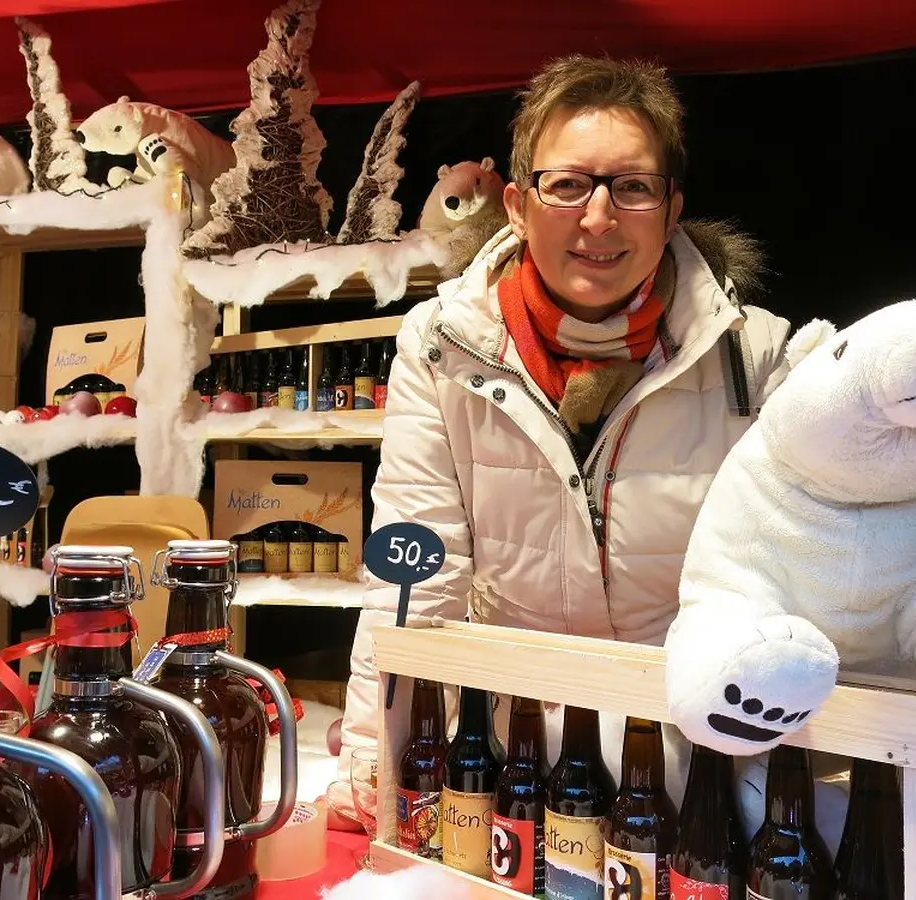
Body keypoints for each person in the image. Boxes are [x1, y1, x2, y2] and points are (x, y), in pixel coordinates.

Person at [327, 55, 791, 826]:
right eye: (567, 185)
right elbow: (412, 580)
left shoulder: (756, 356)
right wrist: (376, 763)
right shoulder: (443, 348)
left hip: (689, 768)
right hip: (518, 766)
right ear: (515, 204)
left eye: (632, 187)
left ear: (671, 208)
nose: (599, 218)